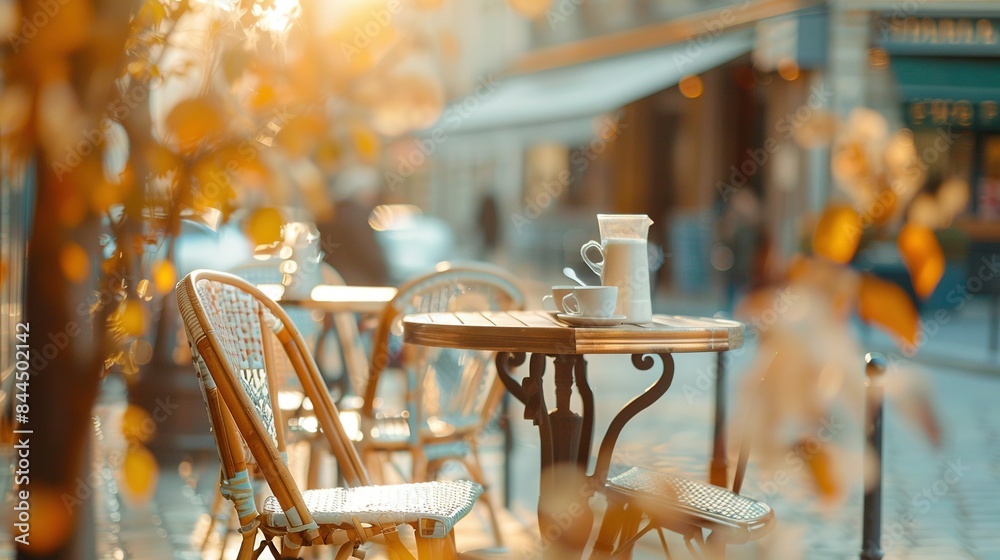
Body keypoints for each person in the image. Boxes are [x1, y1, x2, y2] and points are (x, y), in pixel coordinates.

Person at [316, 166, 389, 286]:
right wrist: (385, 273)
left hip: (332, 281)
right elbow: (368, 253)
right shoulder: (356, 216)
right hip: (358, 283)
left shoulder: (330, 214)